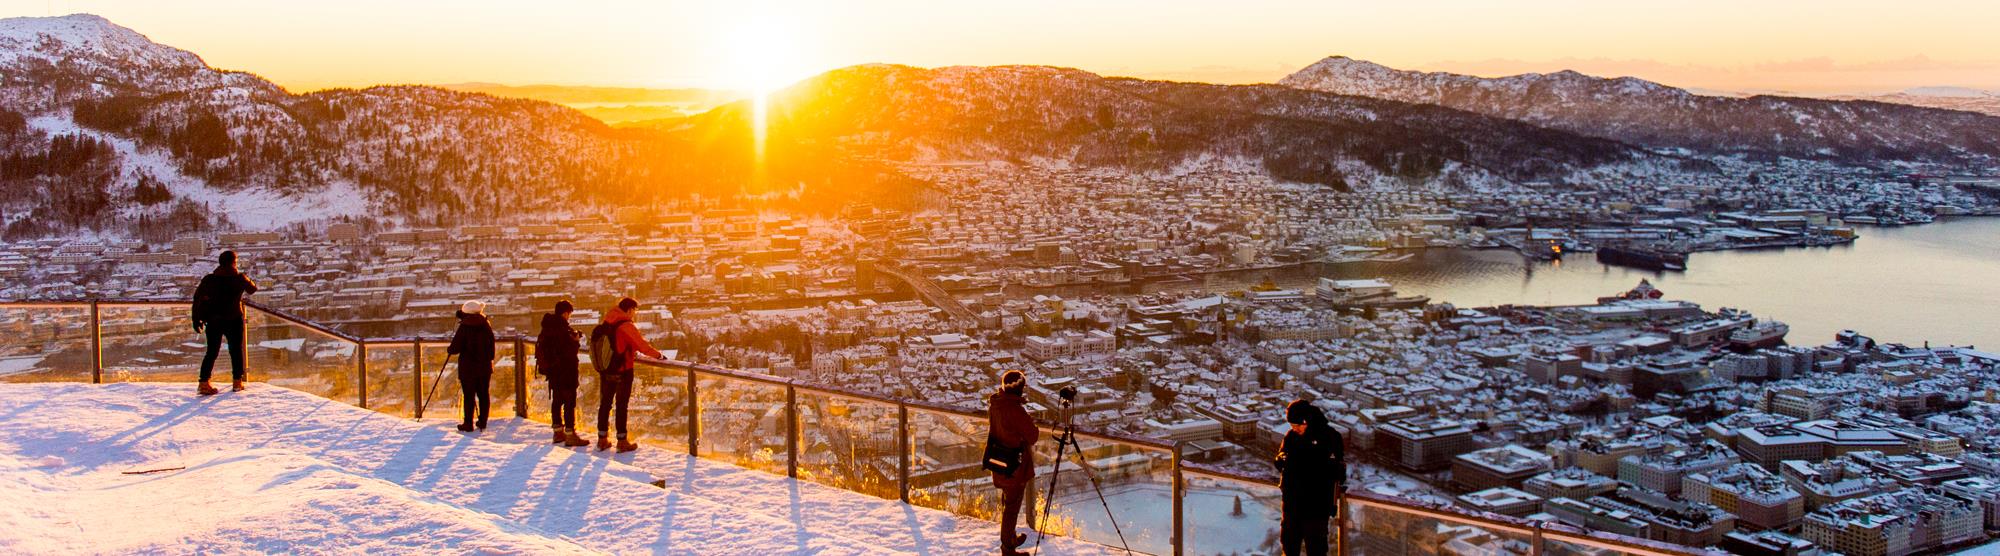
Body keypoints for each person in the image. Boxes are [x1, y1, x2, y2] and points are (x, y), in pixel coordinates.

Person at [1275, 399, 1346, 556]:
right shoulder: (1291, 436)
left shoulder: (1330, 437)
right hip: (1292, 505)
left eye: (1297, 425)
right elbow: (1279, 461)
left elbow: (1338, 471)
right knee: (1289, 546)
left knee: (1316, 549)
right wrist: (1282, 459)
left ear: (1306, 420)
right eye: (1292, 425)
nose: (1294, 429)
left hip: (1316, 507)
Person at [593, 297, 660, 453]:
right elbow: (641, 344)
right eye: (634, 311)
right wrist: (658, 356)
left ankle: (602, 439)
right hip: (622, 370)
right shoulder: (625, 325)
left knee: (605, 404)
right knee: (621, 406)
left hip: (606, 369)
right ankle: (622, 441)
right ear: (630, 310)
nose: (634, 315)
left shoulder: (608, 320)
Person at [190, 250, 258, 395]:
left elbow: (197, 298)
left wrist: (196, 319)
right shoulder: (239, 278)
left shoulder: (209, 279)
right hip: (234, 318)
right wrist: (243, 276)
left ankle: (203, 382)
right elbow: (253, 289)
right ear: (234, 263)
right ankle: (237, 382)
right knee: (235, 350)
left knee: (212, 351)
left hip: (213, 320)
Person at [987, 370, 1039, 556]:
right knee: (1012, 507)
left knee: (1008, 503)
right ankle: (1008, 549)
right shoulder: (1015, 410)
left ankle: (1009, 539)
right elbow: (1033, 436)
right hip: (1014, 466)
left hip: (998, 460)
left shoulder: (995, 405)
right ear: (1019, 389)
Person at [537, 300, 589, 447]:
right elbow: (568, 352)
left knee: (557, 400)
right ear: (566, 313)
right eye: (569, 314)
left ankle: (557, 432)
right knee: (569, 402)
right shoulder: (562, 330)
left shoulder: (547, 328)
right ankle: (570, 434)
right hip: (566, 371)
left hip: (553, 372)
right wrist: (576, 341)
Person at [446, 300, 495, 432]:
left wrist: (449, 349)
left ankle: (468, 423)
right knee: (484, 394)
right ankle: (483, 421)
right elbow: (491, 348)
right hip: (484, 366)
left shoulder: (465, 327)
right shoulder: (486, 325)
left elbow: (455, 348)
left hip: (468, 368)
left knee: (469, 395)